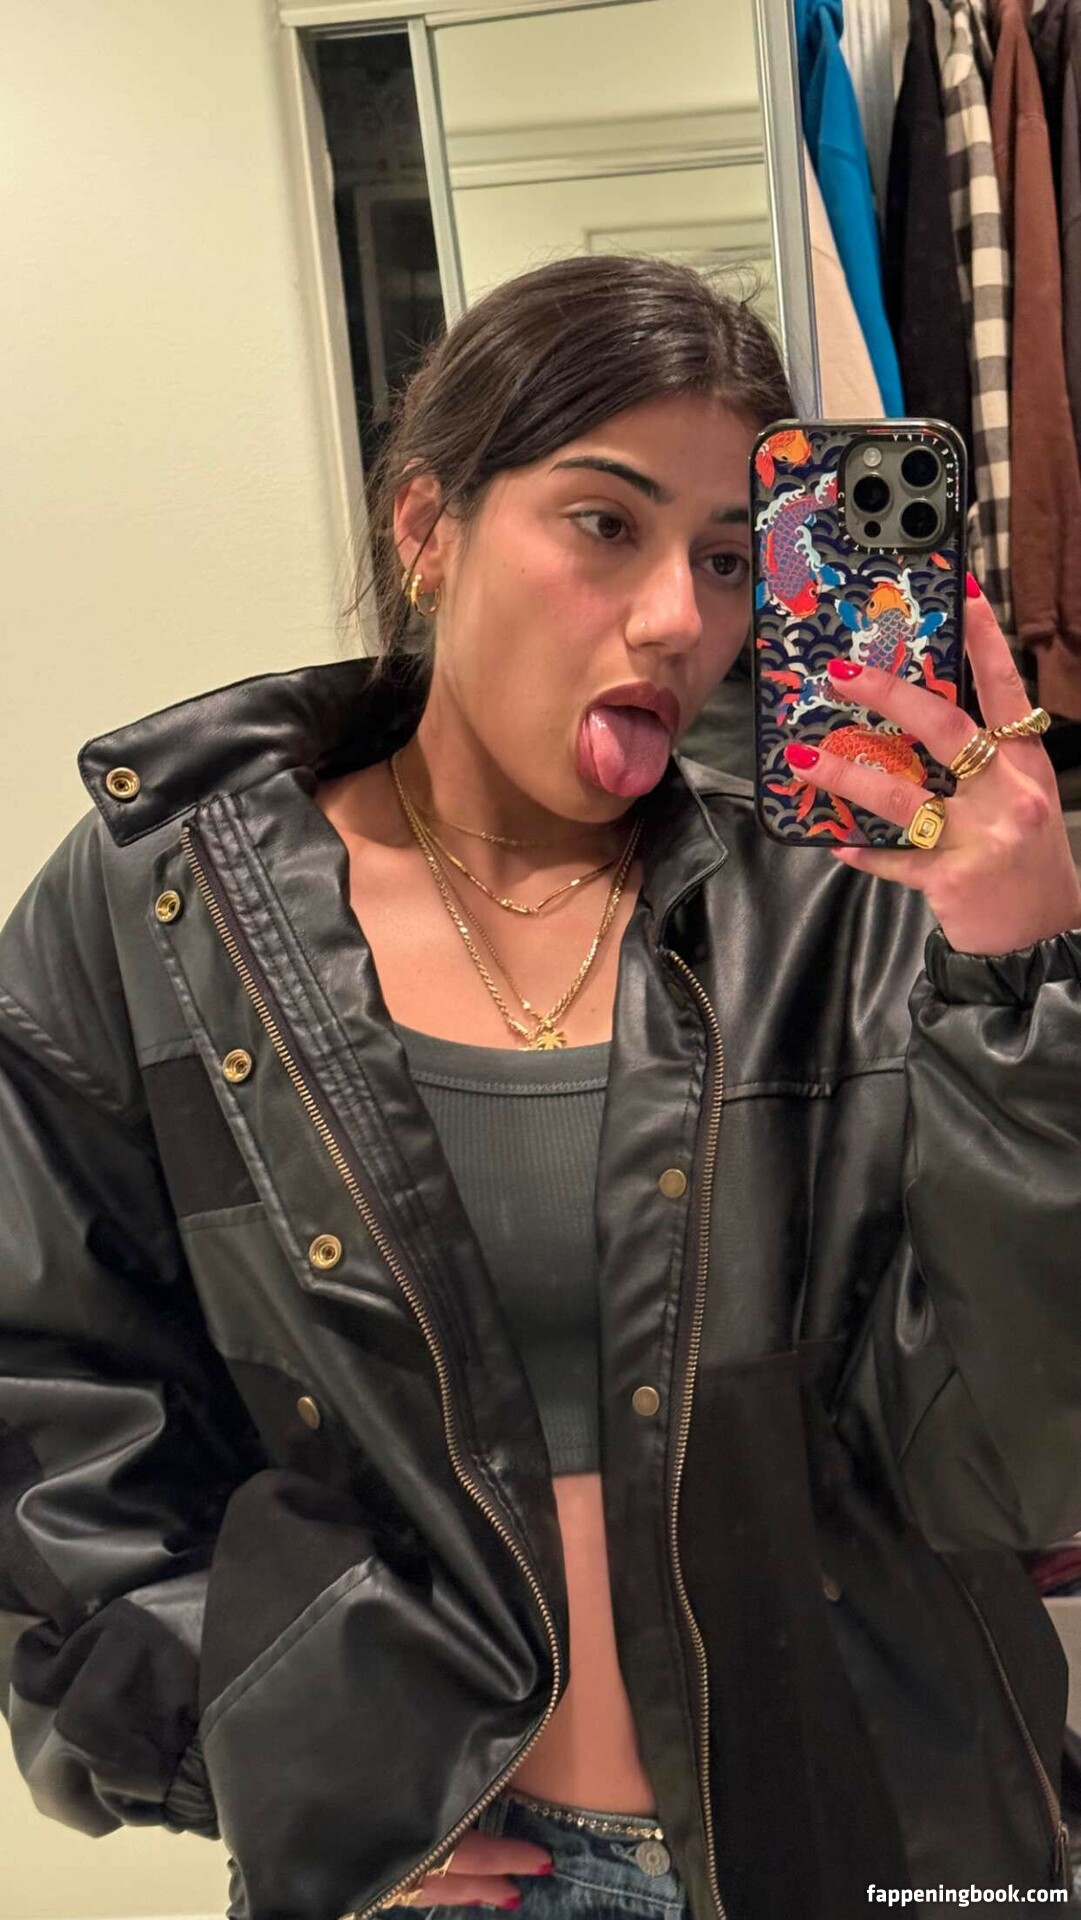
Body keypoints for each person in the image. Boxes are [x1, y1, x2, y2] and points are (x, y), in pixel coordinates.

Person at [0, 254, 1080, 1920]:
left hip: (881, 1836)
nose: (677, 620)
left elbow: (1020, 1457)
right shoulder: (169, 907)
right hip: (432, 1873)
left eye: (726, 558)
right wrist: (260, 1763)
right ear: (424, 528)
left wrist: (1021, 980)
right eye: (602, 524)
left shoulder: (850, 906)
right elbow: (48, 1398)